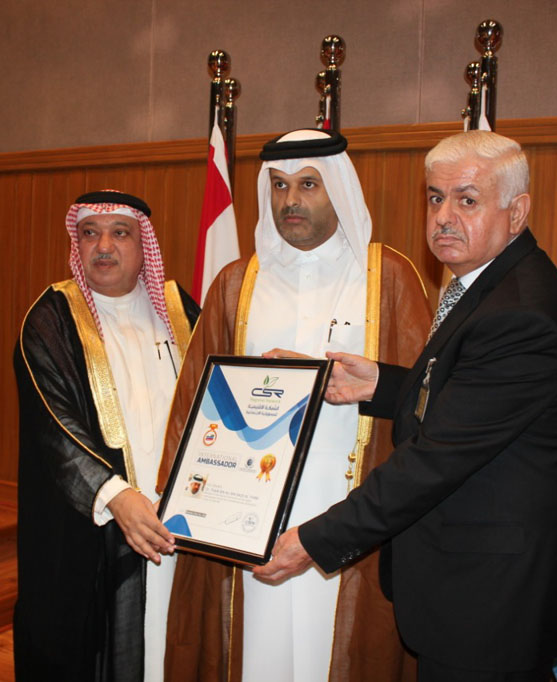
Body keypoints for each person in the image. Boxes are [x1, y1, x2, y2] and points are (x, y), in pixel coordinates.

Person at [255, 130, 557, 682]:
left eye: (467, 199)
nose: (443, 217)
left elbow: (437, 459)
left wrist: (313, 541)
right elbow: (464, 393)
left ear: (517, 211)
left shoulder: (522, 313)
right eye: (435, 198)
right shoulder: (487, 284)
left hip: (489, 601)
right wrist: (382, 386)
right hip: (471, 589)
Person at [159, 129, 432, 682]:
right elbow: (193, 399)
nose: (290, 201)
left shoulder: (389, 277)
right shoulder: (236, 283)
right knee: (259, 651)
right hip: (251, 510)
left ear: (338, 190)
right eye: (279, 186)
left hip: (351, 507)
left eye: (308, 184)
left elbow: (426, 403)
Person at [13, 190, 200, 681]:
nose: (104, 246)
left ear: (145, 247)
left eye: (121, 233)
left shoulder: (180, 310)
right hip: (95, 527)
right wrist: (116, 495)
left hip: (185, 518)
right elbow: (54, 428)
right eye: (90, 233)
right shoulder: (51, 317)